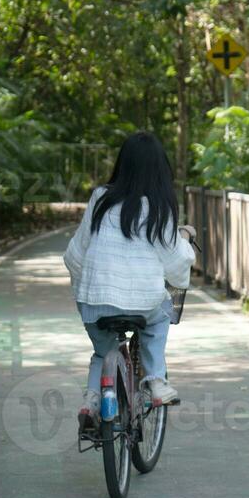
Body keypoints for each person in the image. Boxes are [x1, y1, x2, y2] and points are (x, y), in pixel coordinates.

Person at [64, 131, 197, 424]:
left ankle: (90, 401)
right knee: (160, 317)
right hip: (143, 304)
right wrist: (185, 239)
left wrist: (85, 287)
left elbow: (74, 256)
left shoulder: (100, 198)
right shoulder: (160, 207)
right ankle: (154, 380)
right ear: (161, 170)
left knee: (103, 352)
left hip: (95, 305)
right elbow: (176, 264)